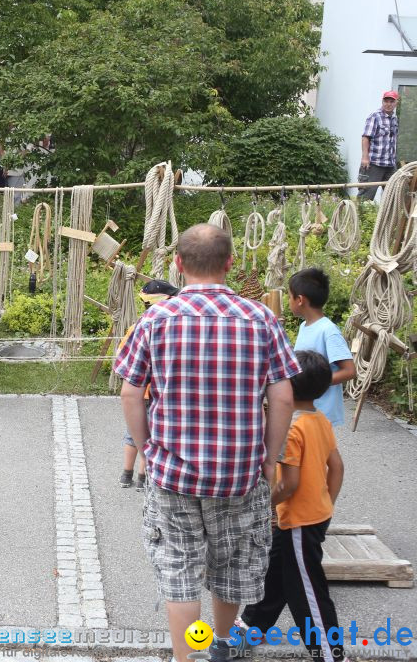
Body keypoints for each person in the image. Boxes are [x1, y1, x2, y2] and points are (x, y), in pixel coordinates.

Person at [113, 223, 300, 662]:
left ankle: (186, 656)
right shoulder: (260, 319)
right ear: (230, 263)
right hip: (238, 473)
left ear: (178, 265)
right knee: (231, 564)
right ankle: (219, 645)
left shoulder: (156, 319)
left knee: (179, 571)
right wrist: (270, 460)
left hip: (173, 472)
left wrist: (145, 449)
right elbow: (284, 396)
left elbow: (129, 391)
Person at [236, 350, 345, 662]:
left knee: (308, 593)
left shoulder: (292, 428)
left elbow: (288, 484)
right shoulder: (319, 420)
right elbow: (337, 468)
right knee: (274, 577)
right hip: (307, 518)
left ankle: (330, 654)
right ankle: (244, 634)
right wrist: (325, 505)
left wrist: (263, 506)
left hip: (298, 522)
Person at [115, 279, 179, 490]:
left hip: (138, 391)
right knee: (151, 436)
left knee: (133, 433)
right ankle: (143, 478)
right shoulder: (171, 328)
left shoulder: (137, 327)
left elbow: (122, 358)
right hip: (158, 395)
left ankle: (126, 474)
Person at [288, 268, 356, 428]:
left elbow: (349, 371)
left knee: (319, 450)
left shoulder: (328, 331)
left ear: (299, 300)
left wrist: (315, 383)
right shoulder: (304, 326)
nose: (288, 300)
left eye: (289, 296)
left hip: (322, 412)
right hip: (306, 409)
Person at [359, 90, 399, 202]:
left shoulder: (394, 119)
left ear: (396, 103)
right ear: (382, 101)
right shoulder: (375, 116)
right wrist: (365, 157)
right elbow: (366, 137)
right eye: (386, 101)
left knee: (393, 197)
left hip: (390, 165)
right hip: (374, 164)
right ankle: (359, 218)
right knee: (366, 196)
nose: (388, 104)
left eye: (392, 101)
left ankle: (386, 219)